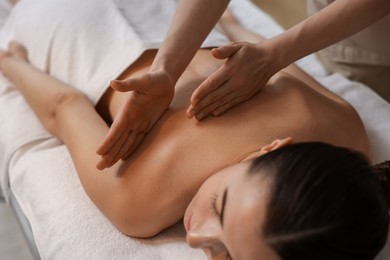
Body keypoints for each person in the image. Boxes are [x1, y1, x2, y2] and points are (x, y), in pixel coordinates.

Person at [0, 7, 389, 260]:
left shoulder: (345, 130)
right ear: (269, 150)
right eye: (219, 206)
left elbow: (271, 61)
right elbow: (65, 105)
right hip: (71, 28)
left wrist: (234, 26)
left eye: (227, 257)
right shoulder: (138, 203)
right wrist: (10, 61)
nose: (195, 237)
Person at [97, 0, 390, 169]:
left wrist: (276, 53)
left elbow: (64, 104)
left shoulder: (344, 131)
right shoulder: (345, 131)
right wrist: (165, 69)